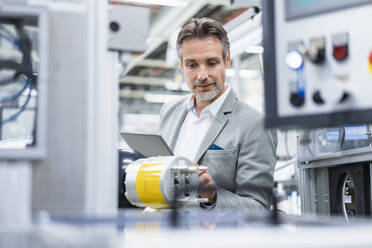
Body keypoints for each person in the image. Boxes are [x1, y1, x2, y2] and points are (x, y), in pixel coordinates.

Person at [158, 17, 277, 211]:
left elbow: (258, 208)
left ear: (227, 60)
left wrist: (212, 197)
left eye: (211, 63)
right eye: (192, 65)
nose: (202, 75)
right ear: (181, 66)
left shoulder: (254, 124)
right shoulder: (169, 112)